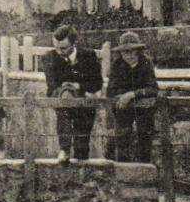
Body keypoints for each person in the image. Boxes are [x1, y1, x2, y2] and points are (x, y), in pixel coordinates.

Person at [44, 24, 102, 162]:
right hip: (62, 98)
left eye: (63, 48)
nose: (59, 51)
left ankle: (80, 165)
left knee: (82, 147)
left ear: (74, 43)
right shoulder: (50, 57)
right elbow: (52, 85)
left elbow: (97, 84)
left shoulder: (88, 55)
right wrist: (69, 88)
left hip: (83, 101)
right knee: (65, 99)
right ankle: (64, 149)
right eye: (56, 47)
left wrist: (79, 86)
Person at [107, 31, 158, 164]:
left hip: (144, 108)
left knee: (144, 138)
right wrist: (121, 97)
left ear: (138, 51)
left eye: (133, 51)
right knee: (122, 139)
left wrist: (132, 95)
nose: (130, 56)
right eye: (125, 52)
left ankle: (145, 170)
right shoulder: (117, 65)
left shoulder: (145, 62)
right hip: (123, 109)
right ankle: (123, 171)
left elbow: (153, 88)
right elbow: (111, 90)